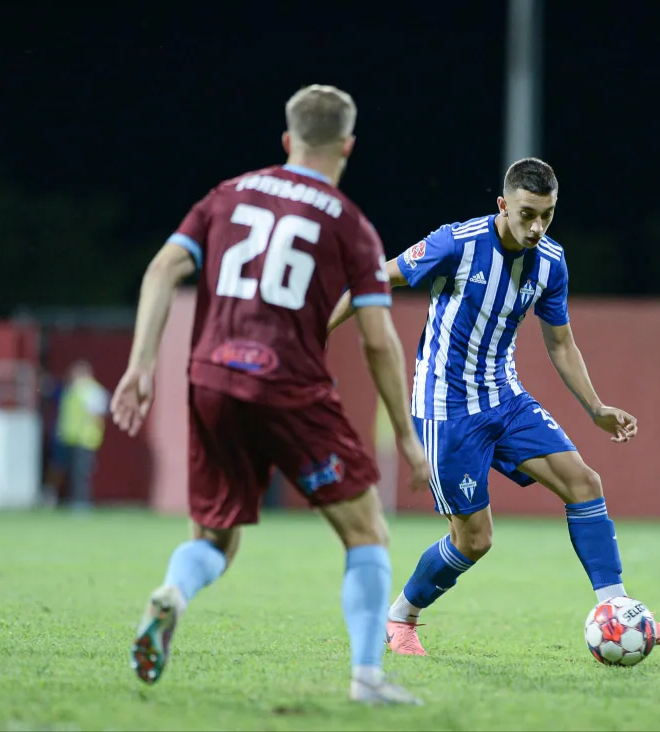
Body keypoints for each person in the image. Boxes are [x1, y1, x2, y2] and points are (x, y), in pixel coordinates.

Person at [110, 85, 430, 705]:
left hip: (211, 378)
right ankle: (367, 678)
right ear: (348, 145)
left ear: (287, 141)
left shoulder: (226, 196)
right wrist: (408, 436)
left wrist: (140, 365)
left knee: (212, 538)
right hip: (289, 385)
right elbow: (379, 341)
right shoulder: (350, 225)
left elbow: (161, 270)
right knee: (366, 533)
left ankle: (172, 594)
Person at [328, 157, 660, 656]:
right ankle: (400, 618)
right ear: (503, 205)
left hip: (505, 397)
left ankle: (619, 612)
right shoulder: (455, 243)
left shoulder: (550, 261)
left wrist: (595, 408)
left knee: (584, 482)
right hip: (447, 408)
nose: (536, 226)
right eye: (526, 214)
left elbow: (561, 344)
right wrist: (315, 334)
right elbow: (375, 280)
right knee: (474, 541)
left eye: (546, 215)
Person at [54, 360, 110, 510]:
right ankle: (74, 501)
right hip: (71, 438)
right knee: (72, 473)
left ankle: (82, 504)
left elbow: (97, 414)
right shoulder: (74, 390)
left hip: (86, 439)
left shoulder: (90, 391)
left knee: (81, 474)